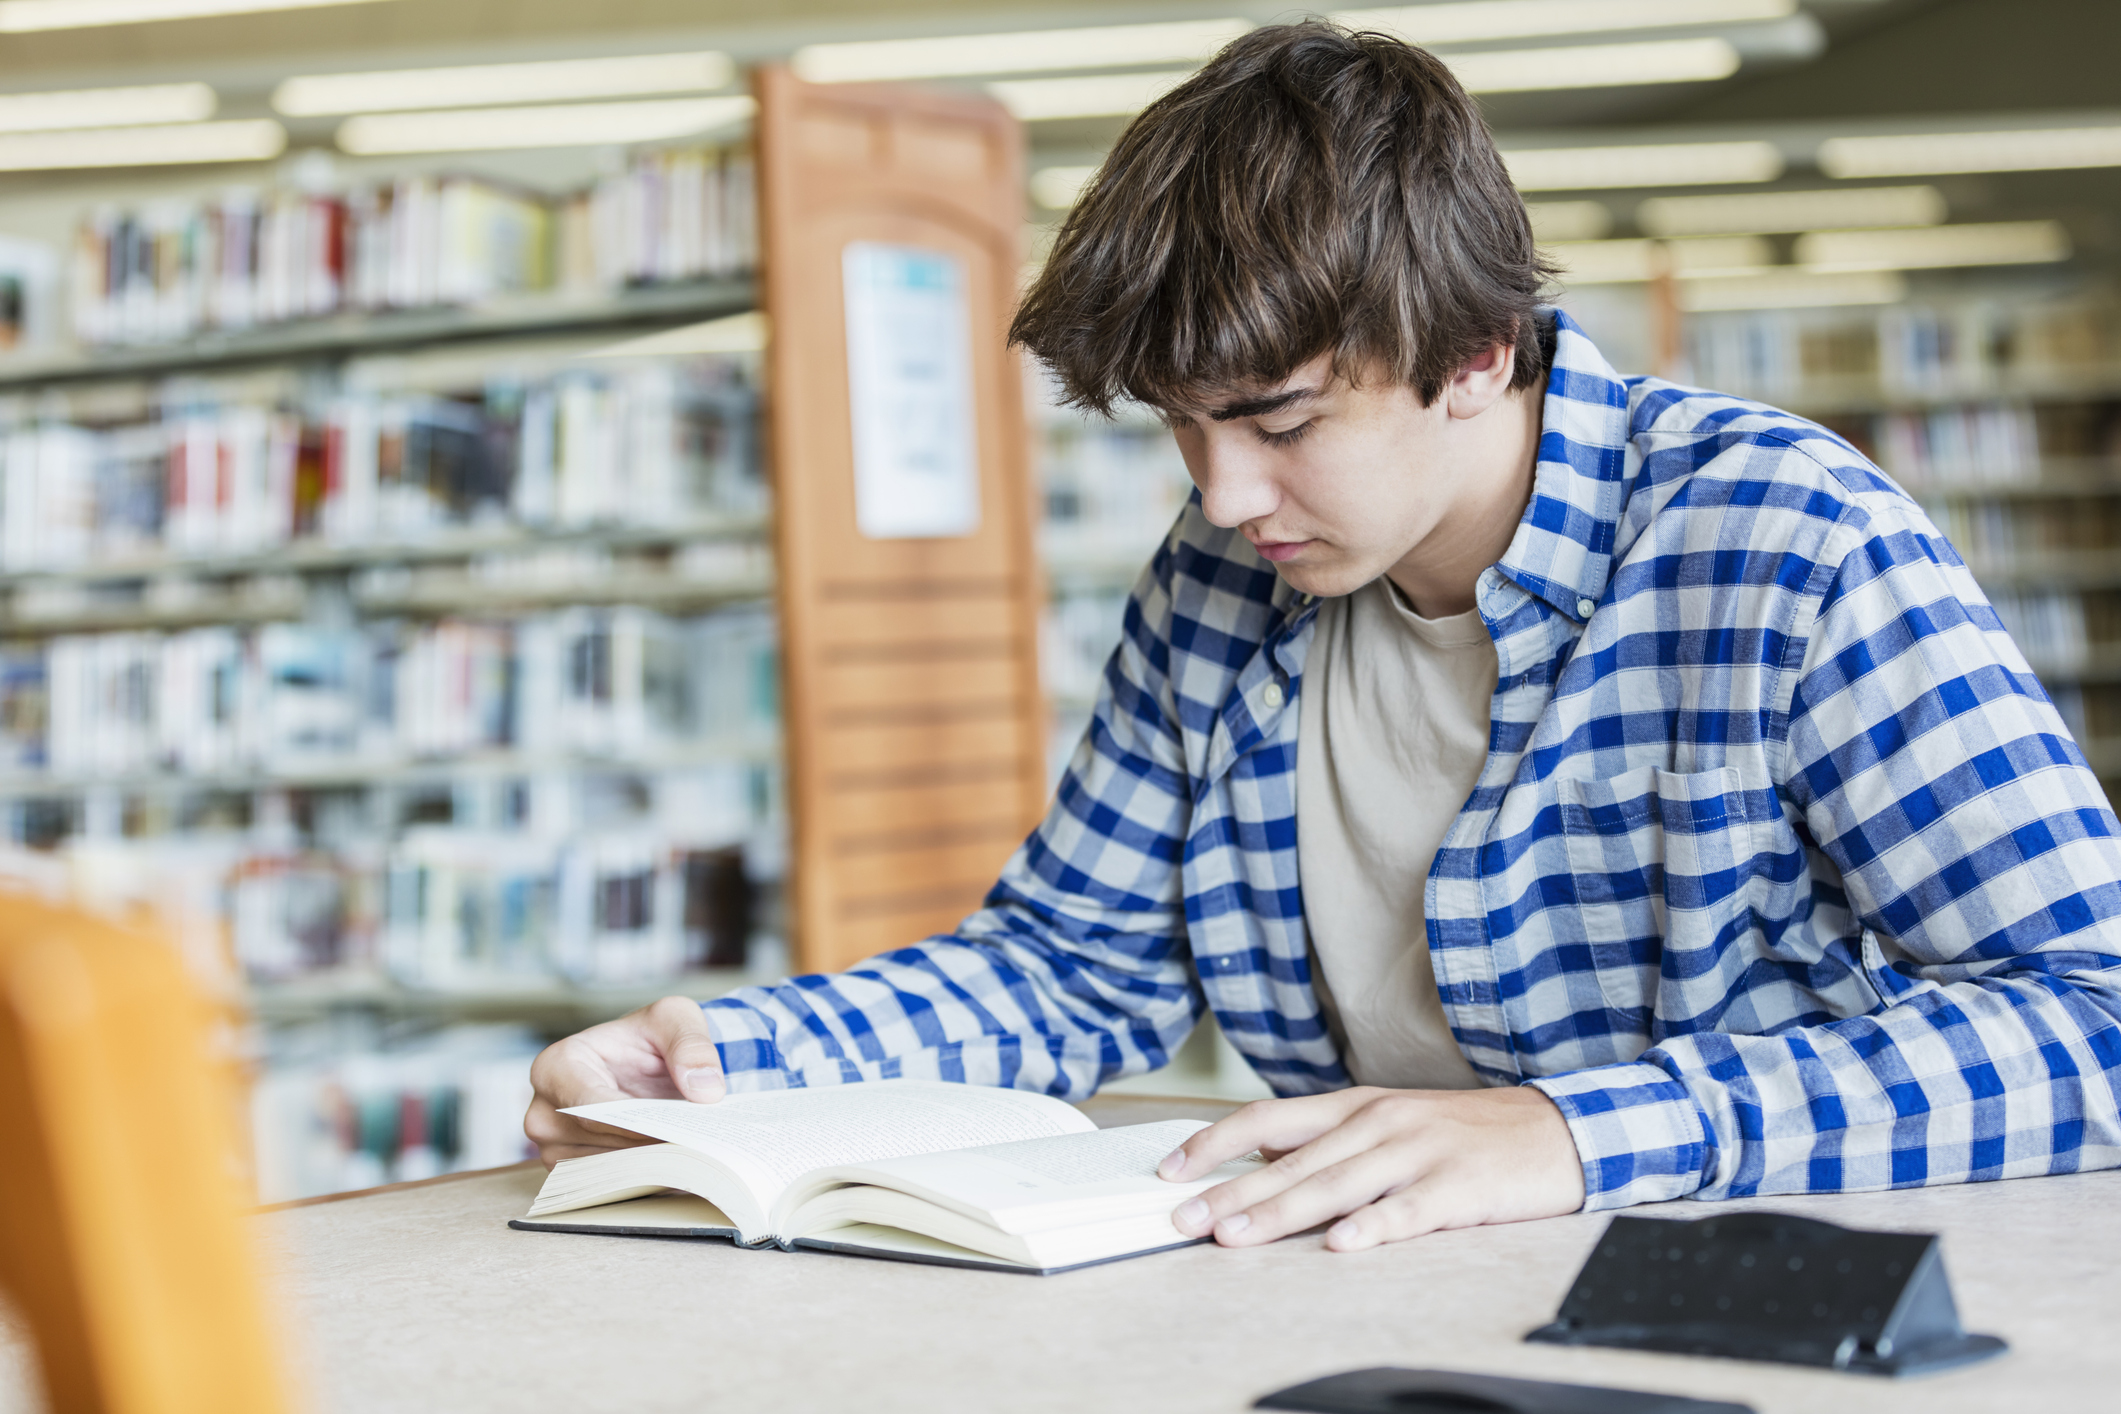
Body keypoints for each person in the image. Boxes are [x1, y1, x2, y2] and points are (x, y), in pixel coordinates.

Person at [527, 21, 2121, 1252]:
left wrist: (1567, 1131)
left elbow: (2094, 1016)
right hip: (1379, 1290)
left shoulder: (1782, 539)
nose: (1222, 496)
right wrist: (738, 1057)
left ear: (1478, 352)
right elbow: (1072, 968)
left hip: (1749, 1293)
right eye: (1181, 429)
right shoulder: (1224, 582)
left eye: (1277, 419)